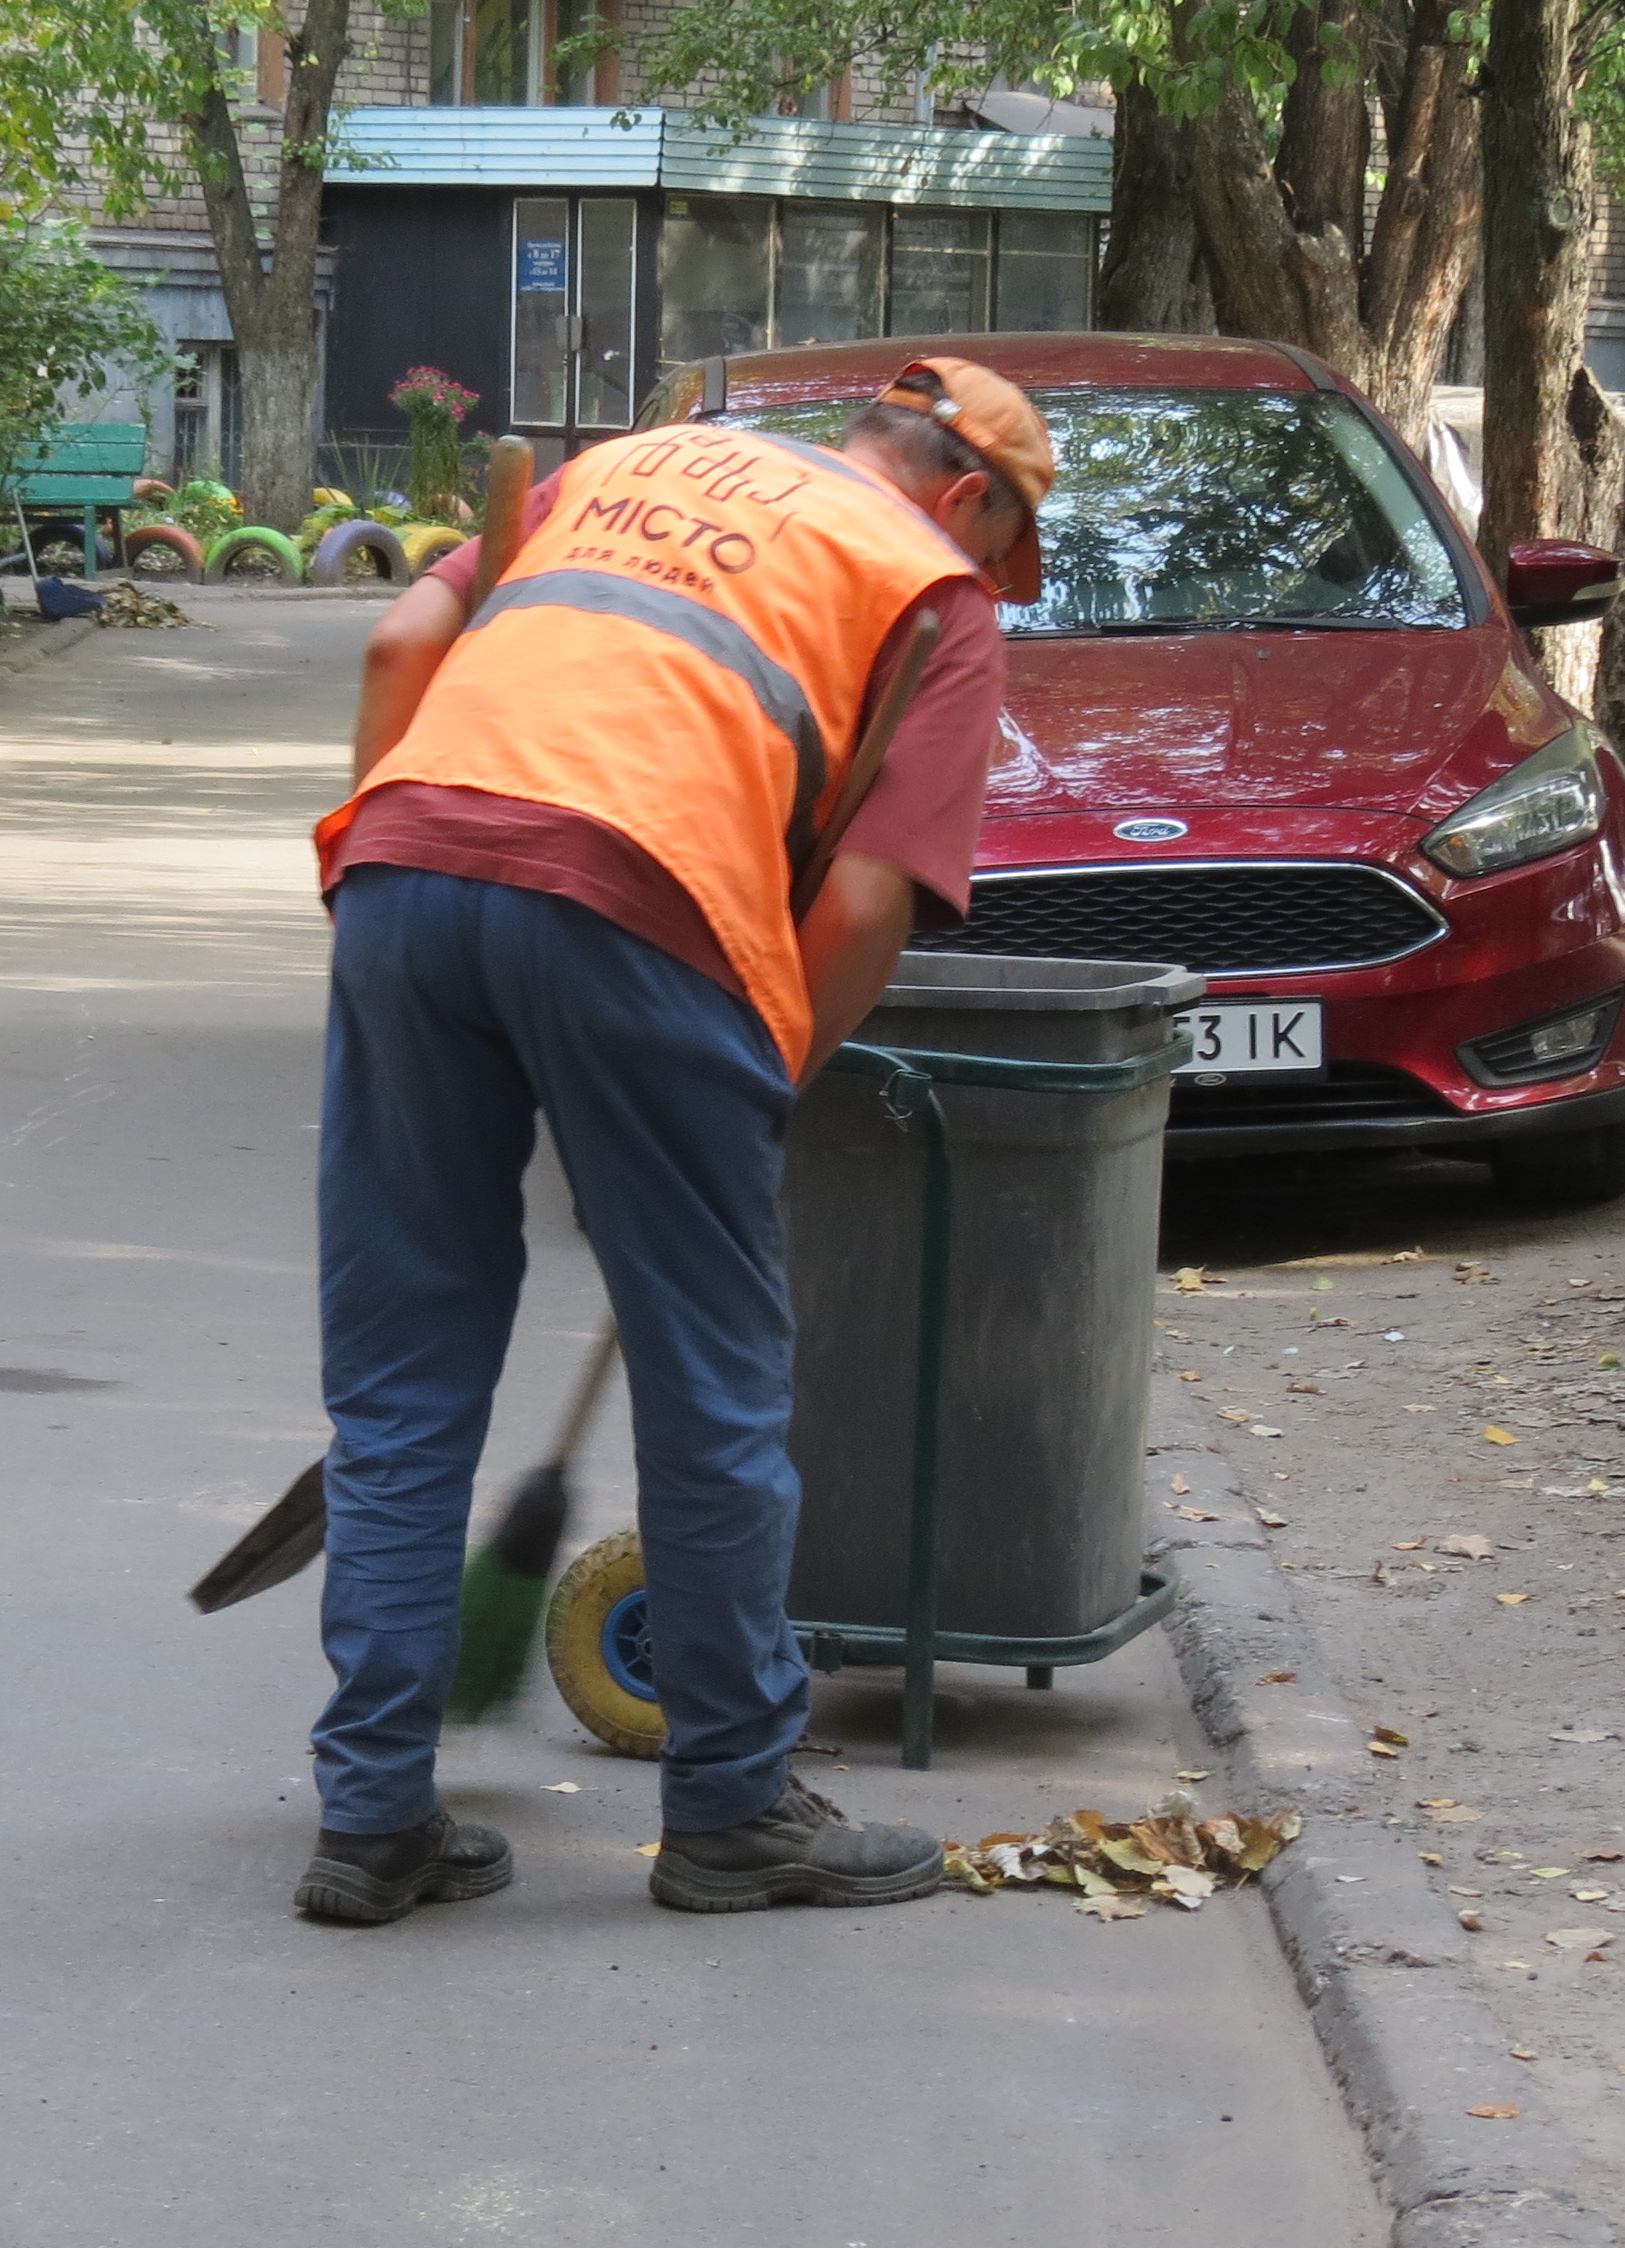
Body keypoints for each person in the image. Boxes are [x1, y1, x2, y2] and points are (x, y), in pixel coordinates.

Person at [291, 359, 1051, 1923]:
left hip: (409, 867)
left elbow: (400, 637)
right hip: (649, 911)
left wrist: (401, 883)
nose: (997, 586)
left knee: (404, 1369)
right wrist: (763, 1069)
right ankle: (730, 1813)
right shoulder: (929, 592)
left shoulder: (622, 470)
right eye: (1005, 554)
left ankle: (370, 1820)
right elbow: (858, 904)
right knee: (713, 1379)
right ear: (966, 499)